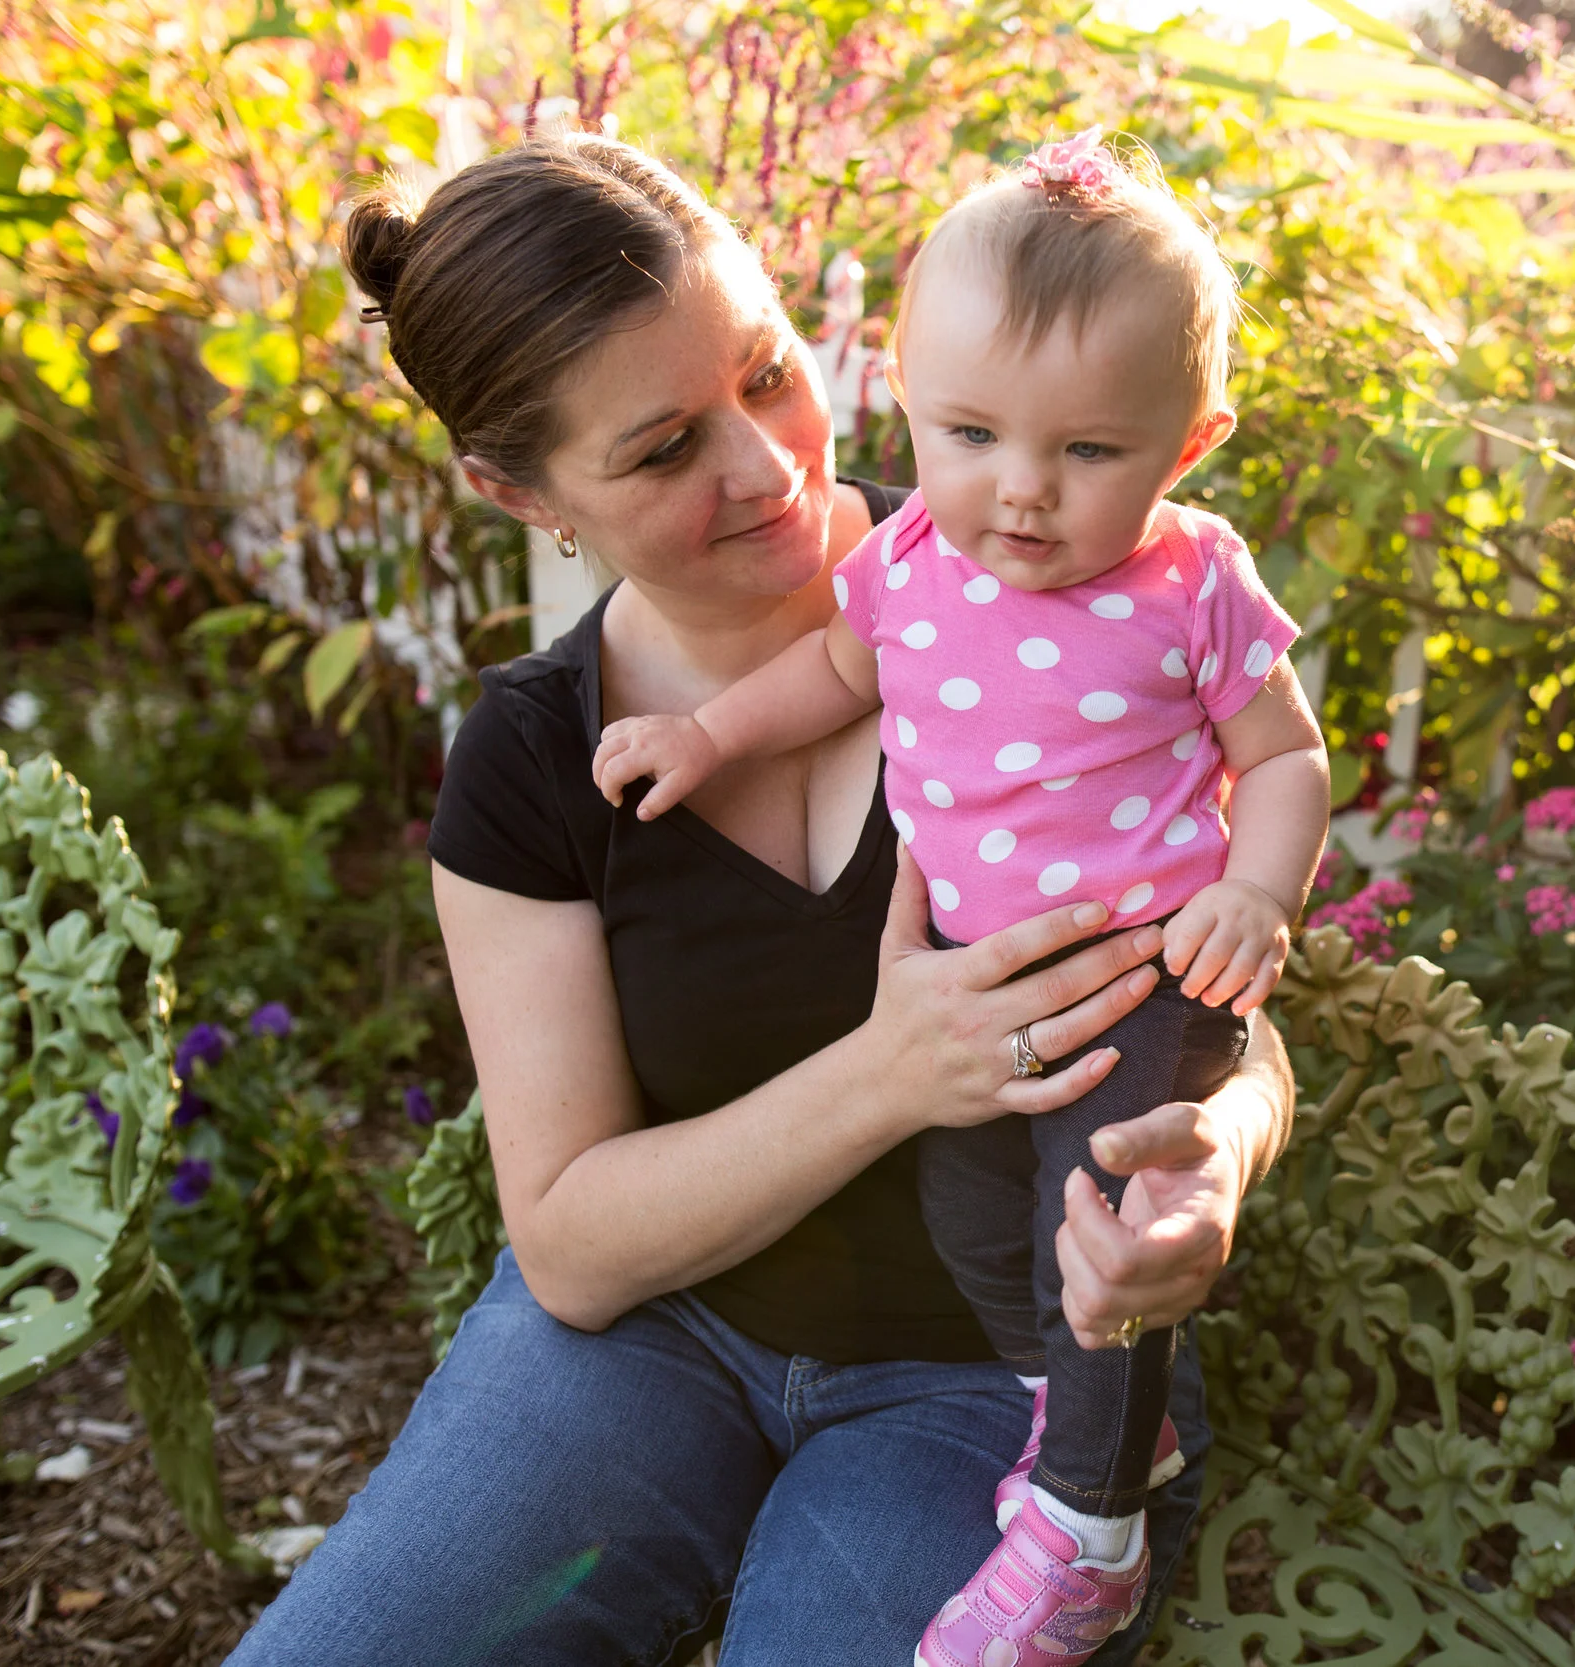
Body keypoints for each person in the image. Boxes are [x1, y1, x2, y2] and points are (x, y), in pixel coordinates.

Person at [222, 131, 1295, 1667]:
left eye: (770, 372)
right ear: (521, 492)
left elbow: (1224, 1007)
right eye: (665, 449)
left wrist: (1216, 1162)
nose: (769, 463)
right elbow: (573, 1242)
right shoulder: (532, 761)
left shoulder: (1039, 587)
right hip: (651, 1343)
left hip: (990, 1377)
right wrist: (893, 1071)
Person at [588, 129, 1328, 1667]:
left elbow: (1285, 754)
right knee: (975, 1214)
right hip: (976, 989)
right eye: (972, 432)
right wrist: (708, 734)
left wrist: (1258, 892)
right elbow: (833, 671)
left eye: (1089, 451)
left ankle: (1086, 1530)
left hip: (1141, 974)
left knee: (1095, 1235)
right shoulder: (913, 559)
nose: (1024, 491)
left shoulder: (1193, 582)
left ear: (1190, 442)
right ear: (903, 397)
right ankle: (1083, 1409)